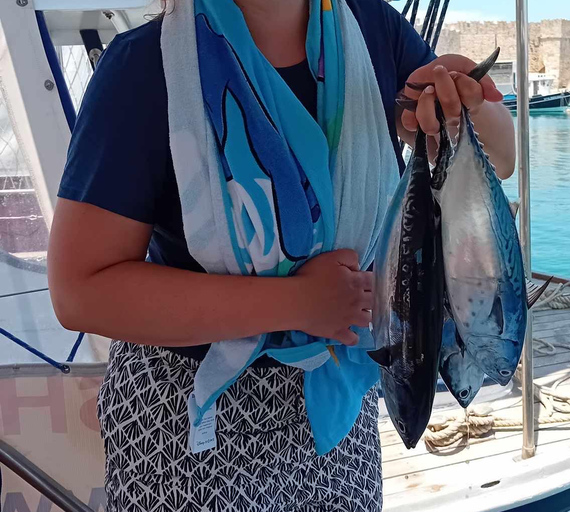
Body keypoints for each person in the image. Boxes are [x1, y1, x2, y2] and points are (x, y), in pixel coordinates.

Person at [47, 0, 516, 510]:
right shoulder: (145, 65)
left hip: (337, 415)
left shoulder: (372, 28)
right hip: (191, 424)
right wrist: (297, 303)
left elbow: (504, 156)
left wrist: (467, 109)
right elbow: (80, 291)